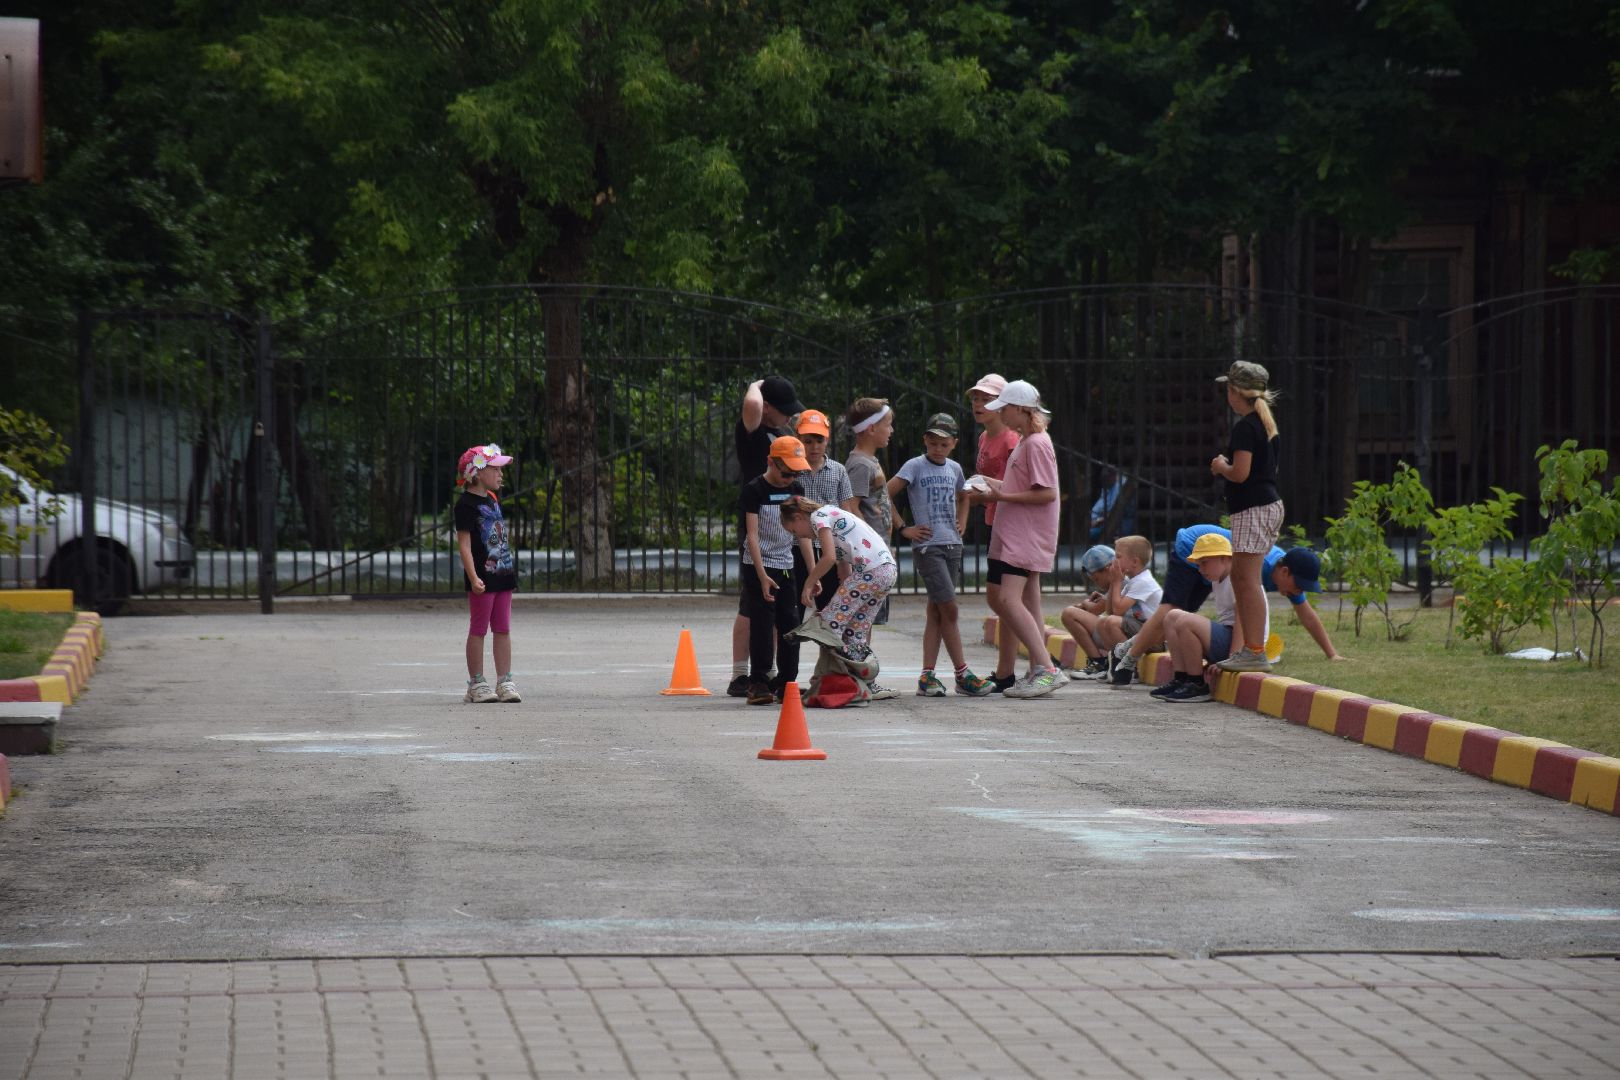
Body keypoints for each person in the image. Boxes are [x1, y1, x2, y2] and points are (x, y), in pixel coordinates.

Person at [1109, 526, 1344, 686]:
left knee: (1179, 616)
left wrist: (1331, 654)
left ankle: (1131, 648)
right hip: (1193, 546)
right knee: (1171, 609)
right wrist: (1234, 656)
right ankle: (1128, 656)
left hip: (1213, 561)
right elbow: (1242, 612)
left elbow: (1306, 614)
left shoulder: (1284, 572)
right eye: (1299, 586)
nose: (1298, 593)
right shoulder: (1258, 566)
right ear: (1285, 572)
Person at [886, 412, 993, 697]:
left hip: (952, 545)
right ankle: (962, 673)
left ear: (954, 444)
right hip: (928, 546)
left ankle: (927, 676)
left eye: (944, 444)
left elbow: (964, 495)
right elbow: (885, 493)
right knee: (950, 608)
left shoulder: (955, 468)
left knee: (936, 612)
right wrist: (903, 528)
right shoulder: (915, 466)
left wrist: (963, 520)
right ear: (925, 440)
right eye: (933, 442)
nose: (937, 448)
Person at [980, 379, 1064, 699]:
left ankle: (1046, 669)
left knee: (1007, 599)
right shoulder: (1028, 442)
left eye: (1004, 409)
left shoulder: (1036, 443)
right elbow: (1022, 484)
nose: (1001, 415)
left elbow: (1046, 493)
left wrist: (1003, 495)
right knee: (1028, 600)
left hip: (1024, 535)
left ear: (1019, 409)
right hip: (1018, 533)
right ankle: (1037, 670)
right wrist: (991, 484)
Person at [729, 375, 805, 697]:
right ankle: (742, 675)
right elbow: (751, 404)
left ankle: (774, 673)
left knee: (782, 611)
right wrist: (755, 385)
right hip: (759, 528)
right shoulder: (753, 434)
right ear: (768, 406)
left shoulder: (780, 434)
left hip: (784, 534)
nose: (790, 416)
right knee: (754, 608)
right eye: (783, 409)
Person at [1210, 361, 1283, 673]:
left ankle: (1254, 650)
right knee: (1242, 578)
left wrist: (1220, 466)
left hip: (1253, 509)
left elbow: (1240, 473)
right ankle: (1251, 649)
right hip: (1262, 507)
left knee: (1247, 580)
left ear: (1234, 392)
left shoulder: (1245, 427)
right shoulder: (1264, 424)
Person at [739, 435, 817, 706]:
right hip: (759, 565)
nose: (789, 478)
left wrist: (813, 573)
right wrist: (761, 575)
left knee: (790, 622)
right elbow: (752, 535)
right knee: (761, 624)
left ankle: (788, 681)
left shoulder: (796, 489)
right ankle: (758, 681)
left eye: (795, 473)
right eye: (785, 472)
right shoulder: (754, 490)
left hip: (786, 565)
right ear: (770, 462)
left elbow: (804, 534)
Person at [782, 497, 898, 669]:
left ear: (799, 517)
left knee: (830, 623)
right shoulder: (834, 516)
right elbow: (844, 567)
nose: (798, 536)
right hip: (886, 572)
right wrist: (844, 592)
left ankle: (829, 675)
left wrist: (809, 582)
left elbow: (828, 557)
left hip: (871, 572)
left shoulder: (818, 516)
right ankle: (860, 681)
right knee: (855, 633)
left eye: (793, 531)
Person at [965, 373, 1021, 691]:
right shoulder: (985, 438)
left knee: (1006, 598)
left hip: (1011, 524)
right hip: (993, 521)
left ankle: (1011, 671)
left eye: (986, 398)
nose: (978, 404)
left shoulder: (1011, 440)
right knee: (998, 598)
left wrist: (976, 491)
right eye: (975, 398)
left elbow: (1013, 488)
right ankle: (1007, 671)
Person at [454, 444, 520, 704]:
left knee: (503, 628)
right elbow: (465, 545)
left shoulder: (492, 499)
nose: (501, 474)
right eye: (496, 469)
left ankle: (505, 681)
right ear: (478, 472)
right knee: (479, 629)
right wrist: (472, 576)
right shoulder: (465, 505)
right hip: (482, 576)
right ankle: (477, 683)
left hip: (503, 573)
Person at [844, 397, 898, 698]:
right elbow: (852, 510)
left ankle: (862, 678)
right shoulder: (859, 465)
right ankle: (860, 679)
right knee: (861, 621)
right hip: (869, 560)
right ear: (871, 428)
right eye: (888, 424)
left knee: (868, 619)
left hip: (879, 555)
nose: (891, 431)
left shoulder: (871, 460)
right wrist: (871, 551)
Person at [1061, 535, 1161, 680]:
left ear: (1134, 561)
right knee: (1105, 622)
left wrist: (1115, 583)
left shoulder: (1139, 582)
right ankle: (1110, 665)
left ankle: (1123, 667)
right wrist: (1115, 584)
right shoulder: (1130, 581)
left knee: (1109, 622)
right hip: (1138, 632)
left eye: (1118, 557)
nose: (1114, 561)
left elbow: (1116, 611)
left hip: (1153, 637)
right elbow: (1110, 611)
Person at [793, 408, 857, 613]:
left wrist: (846, 556)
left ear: (827, 440)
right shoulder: (791, 471)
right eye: (808, 441)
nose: (814, 447)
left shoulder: (838, 471)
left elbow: (847, 513)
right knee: (792, 614)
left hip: (831, 548)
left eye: (819, 440)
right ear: (798, 439)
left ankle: (828, 647)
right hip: (796, 548)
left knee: (830, 616)